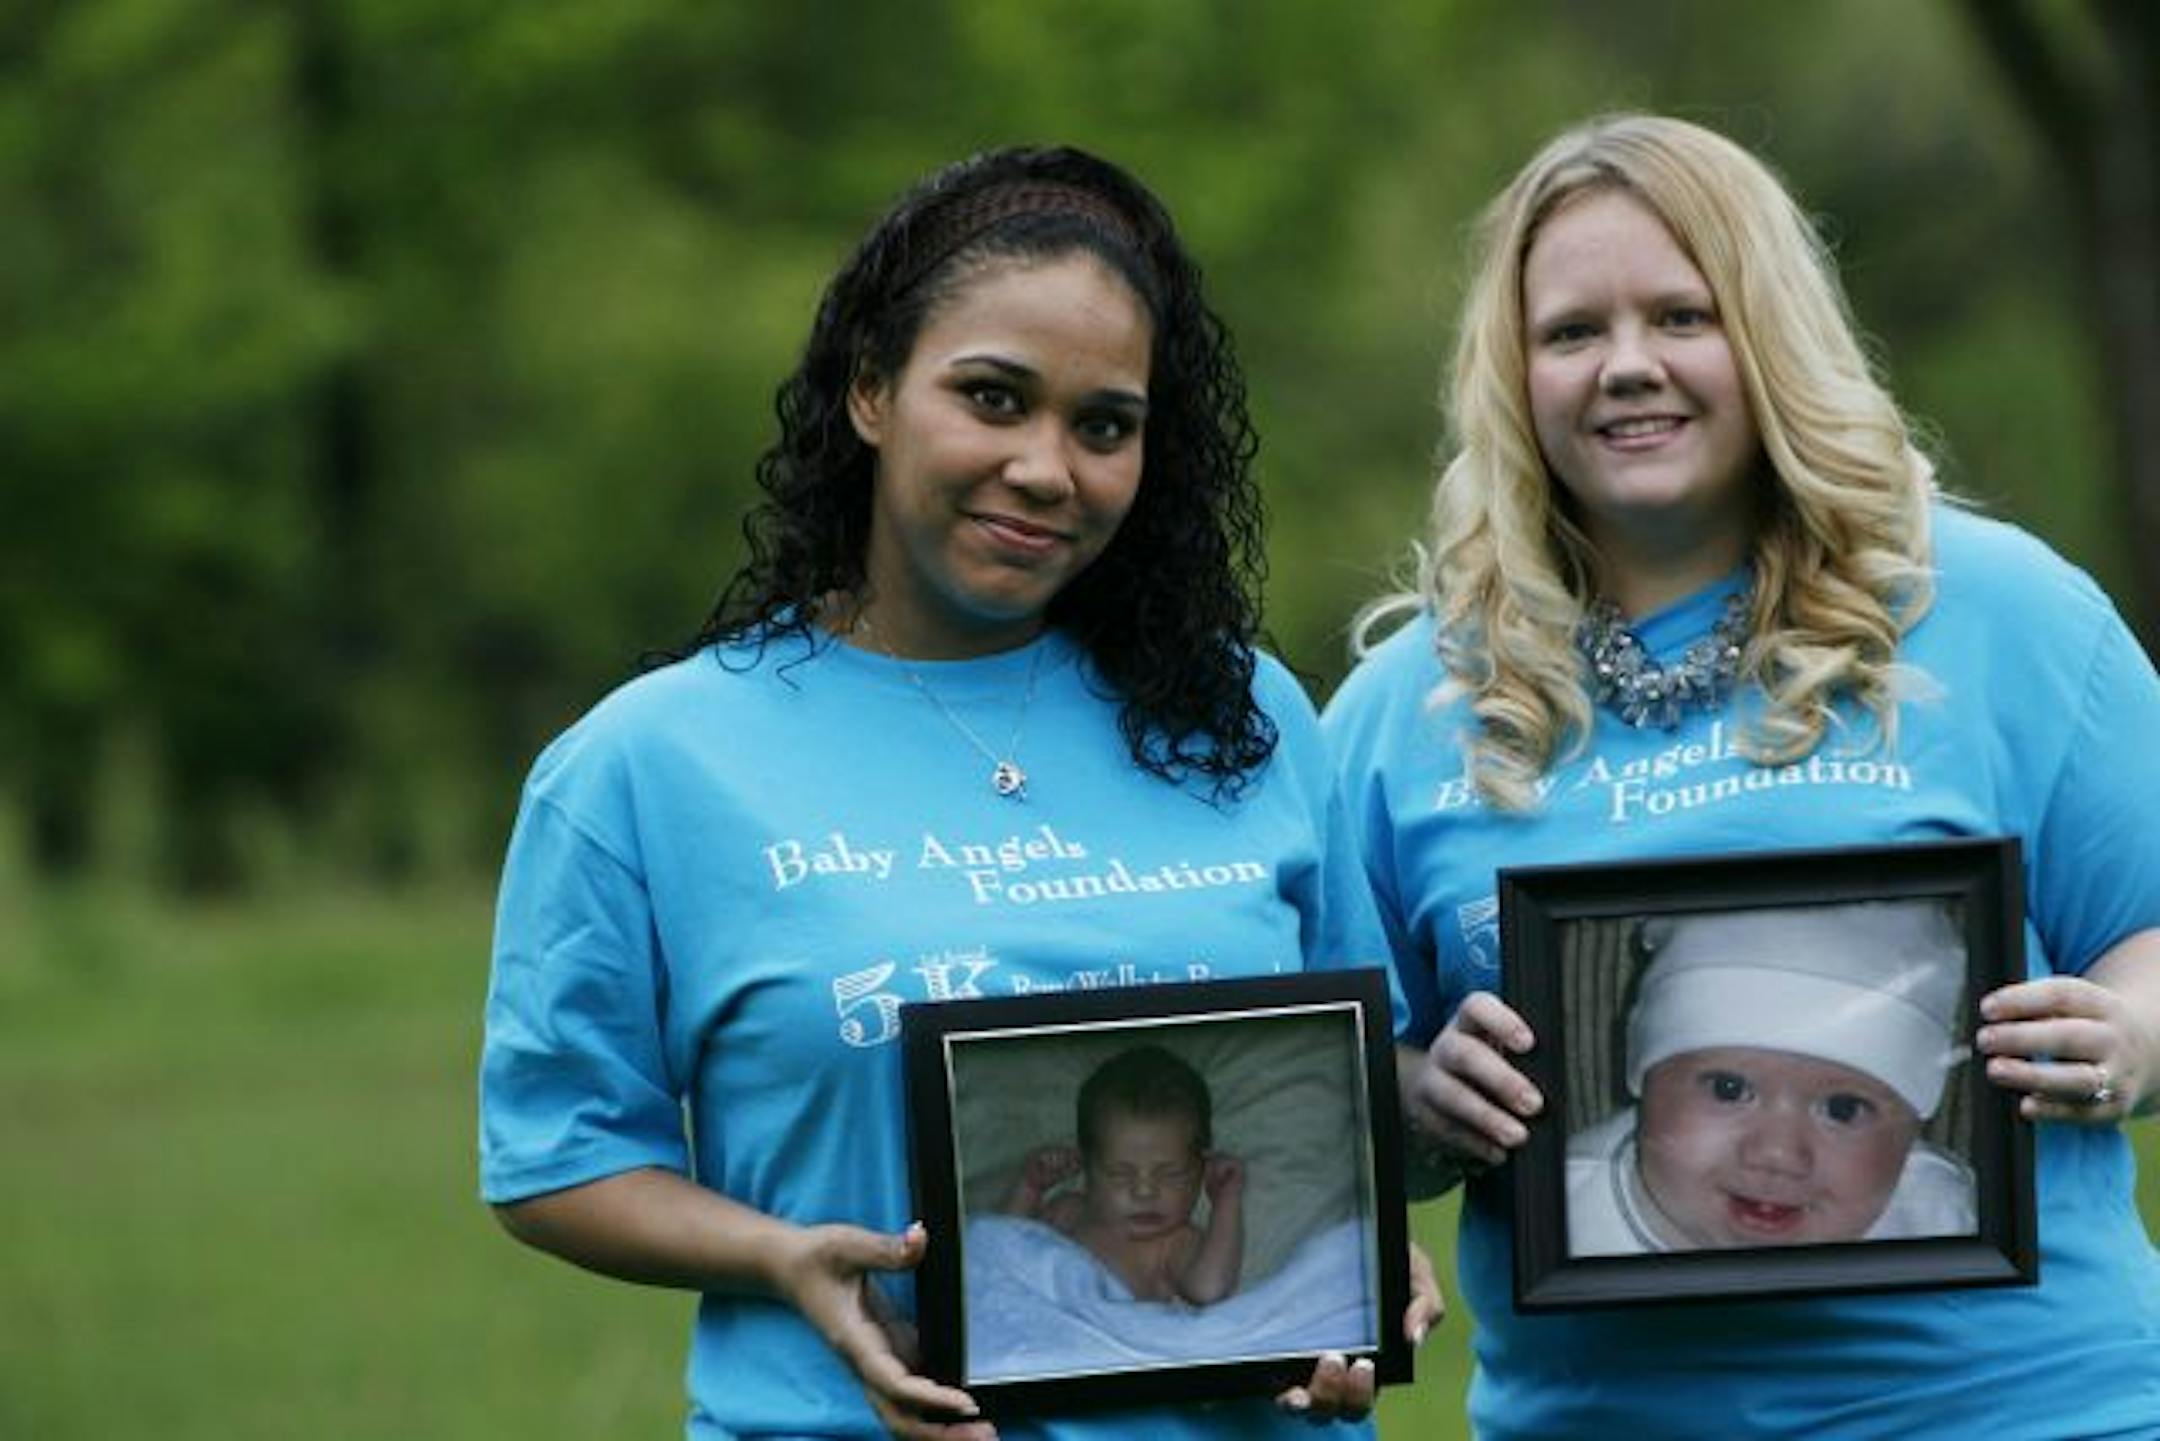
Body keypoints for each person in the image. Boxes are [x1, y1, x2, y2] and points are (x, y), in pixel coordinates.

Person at [478, 143, 1439, 1441]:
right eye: (993, 399)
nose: (1049, 468)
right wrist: (782, 1257)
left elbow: (1336, 1099)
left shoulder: (1248, 714)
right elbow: (561, 1162)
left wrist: (1356, 1267)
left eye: (1104, 424)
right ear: (871, 388)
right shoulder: (648, 763)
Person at [1322, 112, 2160, 1438]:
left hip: (2027, 1408)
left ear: (1767, 334)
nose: (1629, 368)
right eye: (1573, 332)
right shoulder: (1399, 712)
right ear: (1513, 371)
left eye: (1682, 316)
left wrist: (2127, 1035)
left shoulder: (2005, 613)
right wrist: (1424, 1098)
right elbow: (1330, 1098)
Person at [1566, 901, 1976, 1256]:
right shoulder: (1565, 1214)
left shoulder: (1938, 1216)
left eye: (1842, 1109)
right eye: (1729, 1089)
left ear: (1910, 1130)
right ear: (1644, 1079)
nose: (1778, 1155)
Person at [1001, 1043, 1246, 1304]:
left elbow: (1209, 1290)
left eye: (1171, 1174)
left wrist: (1226, 1201)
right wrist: (1029, 1188)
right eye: (1119, 1173)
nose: (1144, 1191)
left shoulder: (1171, 1244)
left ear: (1200, 1173)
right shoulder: (1068, 1211)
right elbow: (1003, 1249)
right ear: (1086, 1168)